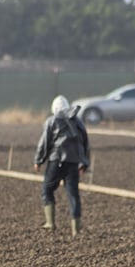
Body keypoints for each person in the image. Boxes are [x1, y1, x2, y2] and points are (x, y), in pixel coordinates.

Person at [34, 95, 91, 235]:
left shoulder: (51, 121)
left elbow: (44, 143)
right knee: (73, 195)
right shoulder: (77, 122)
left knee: (47, 189)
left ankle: (50, 223)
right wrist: (84, 163)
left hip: (56, 161)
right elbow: (85, 143)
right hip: (73, 163)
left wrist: (38, 160)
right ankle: (75, 229)